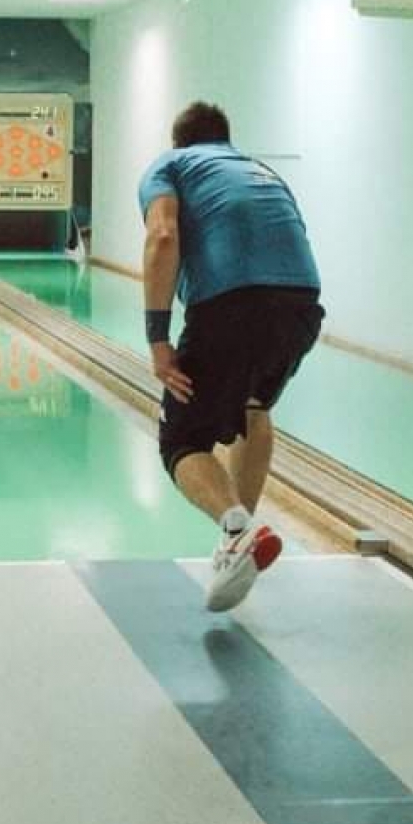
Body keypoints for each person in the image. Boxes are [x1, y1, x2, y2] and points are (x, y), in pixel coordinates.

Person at [139, 102, 324, 612]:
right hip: (302, 305)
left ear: (178, 141)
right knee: (252, 409)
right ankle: (241, 540)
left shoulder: (169, 166)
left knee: (181, 440)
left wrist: (158, 339)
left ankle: (238, 530)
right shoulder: (259, 170)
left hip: (232, 306)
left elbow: (162, 236)